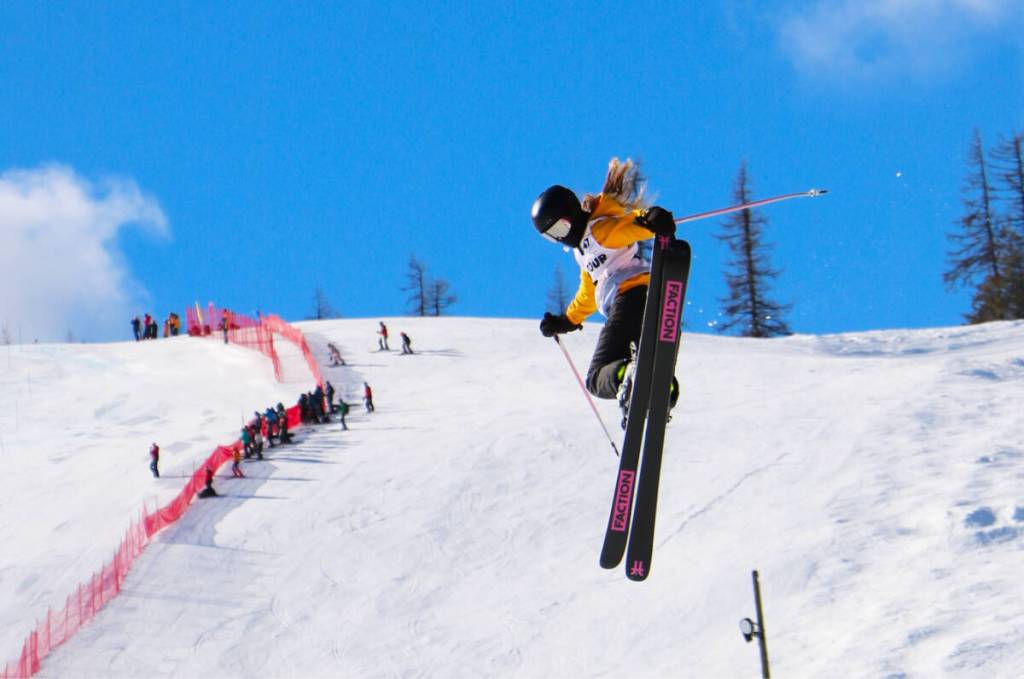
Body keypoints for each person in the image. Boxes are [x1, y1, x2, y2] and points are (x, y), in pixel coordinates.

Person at [532, 158, 679, 421]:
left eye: (560, 227)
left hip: (629, 301)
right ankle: (661, 388)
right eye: (552, 235)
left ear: (572, 213)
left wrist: (648, 220)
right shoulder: (584, 251)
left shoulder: (599, 232)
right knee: (650, 359)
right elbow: (589, 292)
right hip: (645, 299)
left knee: (596, 377)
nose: (561, 237)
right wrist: (567, 320)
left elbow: (625, 228)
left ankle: (628, 377)